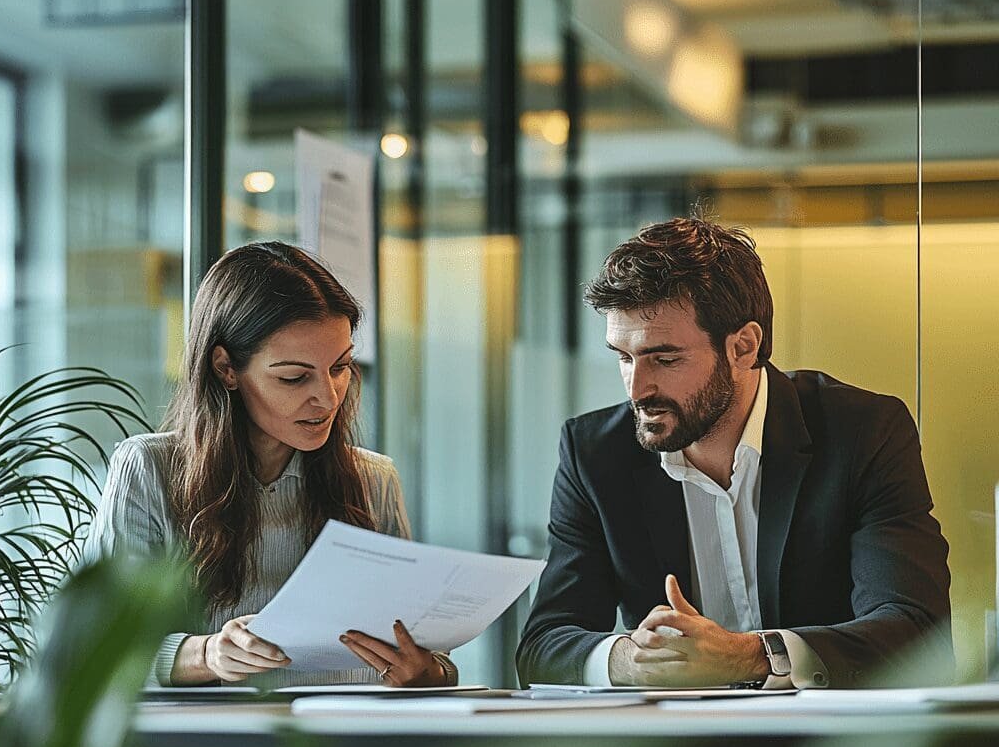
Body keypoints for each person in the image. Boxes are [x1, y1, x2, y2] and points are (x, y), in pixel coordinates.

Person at [517, 217, 952, 690]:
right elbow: (543, 645)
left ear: (744, 346)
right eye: (624, 357)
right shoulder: (595, 454)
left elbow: (915, 630)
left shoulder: (863, 432)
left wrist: (749, 656)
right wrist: (629, 659)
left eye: (665, 359)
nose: (638, 389)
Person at [87, 241, 456, 689]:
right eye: (294, 377)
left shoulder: (373, 480)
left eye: (340, 367)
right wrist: (207, 654)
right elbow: (98, 653)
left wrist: (428, 669)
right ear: (225, 368)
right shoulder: (150, 468)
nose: (328, 396)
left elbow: (425, 651)